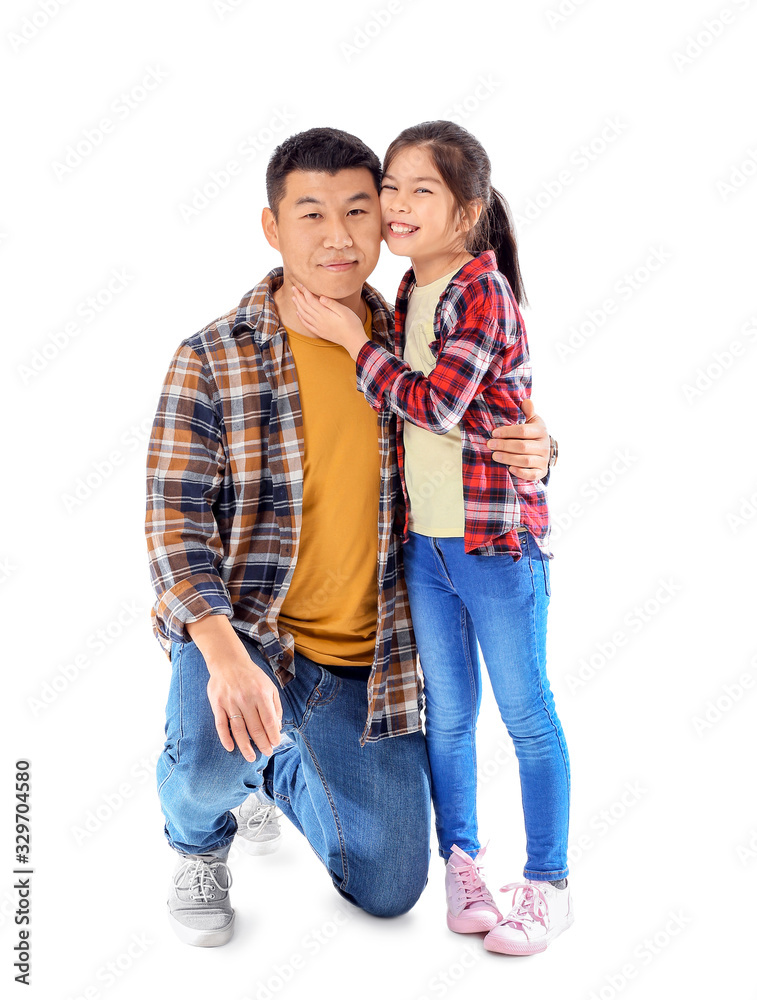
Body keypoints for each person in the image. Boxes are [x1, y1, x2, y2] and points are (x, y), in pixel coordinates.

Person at [145, 126, 554, 948]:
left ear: (385, 225)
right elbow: (173, 522)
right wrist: (224, 660)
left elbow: (469, 416)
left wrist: (540, 449)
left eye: (359, 211)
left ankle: (275, 770)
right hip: (249, 635)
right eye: (311, 215)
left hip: (364, 664)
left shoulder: (409, 331)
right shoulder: (213, 356)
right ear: (272, 228)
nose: (338, 236)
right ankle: (201, 839)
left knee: (391, 885)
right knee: (201, 761)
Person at [292, 120, 570, 957]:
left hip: (494, 546)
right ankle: (462, 862)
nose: (399, 205)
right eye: (394, 188)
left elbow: (440, 407)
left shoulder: (482, 292)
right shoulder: (411, 289)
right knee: (447, 718)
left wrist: (351, 345)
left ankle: (548, 883)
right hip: (427, 547)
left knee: (525, 718)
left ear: (468, 211)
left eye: (423, 191)